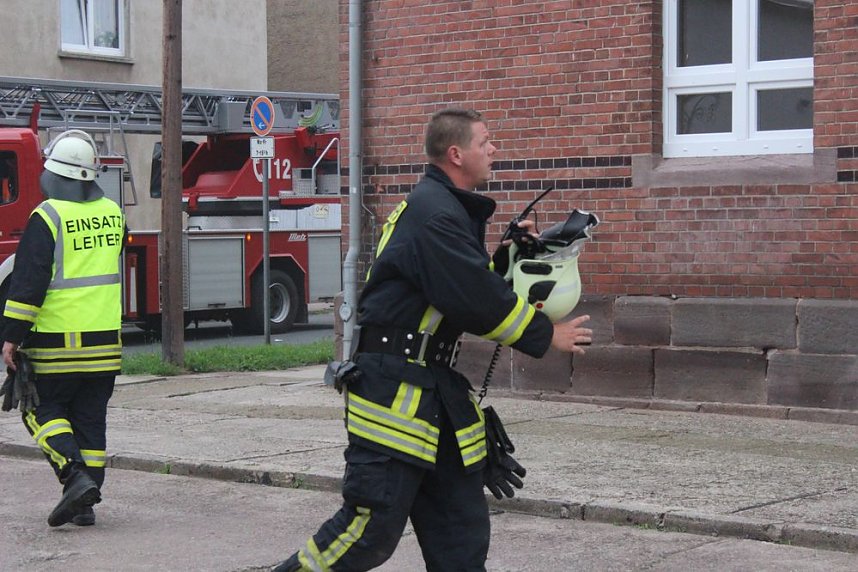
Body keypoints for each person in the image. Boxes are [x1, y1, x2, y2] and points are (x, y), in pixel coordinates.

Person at [272, 108, 592, 571]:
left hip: (432, 390)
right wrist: (546, 334)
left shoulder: (440, 209)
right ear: (457, 153)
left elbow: (458, 283)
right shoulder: (434, 214)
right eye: (486, 141)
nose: (494, 149)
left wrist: (508, 257)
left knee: (459, 534)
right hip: (394, 394)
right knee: (368, 532)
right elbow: (471, 295)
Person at [1, 129, 125, 527]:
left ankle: (74, 477)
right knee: (89, 421)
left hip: (56, 346)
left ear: (54, 174)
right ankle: (85, 503)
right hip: (106, 348)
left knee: (39, 410)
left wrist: (11, 337)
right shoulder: (113, 213)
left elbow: (29, 283)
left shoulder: (48, 216)